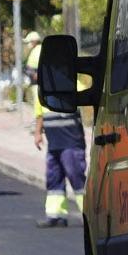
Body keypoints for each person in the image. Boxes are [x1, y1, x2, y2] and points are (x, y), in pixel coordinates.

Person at [33, 83, 86, 228]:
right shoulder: (42, 88)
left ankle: (88, 214)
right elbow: (40, 113)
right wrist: (37, 133)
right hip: (54, 143)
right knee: (54, 179)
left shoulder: (74, 84)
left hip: (71, 142)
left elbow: (88, 103)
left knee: (76, 177)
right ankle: (56, 215)